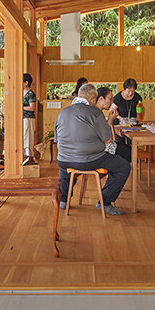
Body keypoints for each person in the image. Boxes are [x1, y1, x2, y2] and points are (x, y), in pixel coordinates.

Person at [54, 83, 131, 216]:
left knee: (65, 167)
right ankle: (105, 202)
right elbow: (107, 139)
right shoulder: (94, 112)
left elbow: (56, 139)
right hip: (90, 159)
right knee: (123, 166)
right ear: (93, 99)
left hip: (64, 159)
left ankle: (64, 200)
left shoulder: (63, 112)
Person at [110, 78, 142, 161]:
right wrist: (120, 118)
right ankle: (123, 162)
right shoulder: (118, 98)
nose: (131, 93)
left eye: (133, 91)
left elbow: (140, 109)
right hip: (120, 124)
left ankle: (133, 162)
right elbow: (112, 110)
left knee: (133, 142)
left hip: (132, 124)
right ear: (124, 89)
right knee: (121, 144)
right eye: (128, 91)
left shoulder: (137, 97)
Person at [22, 73, 36, 163]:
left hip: (28, 118)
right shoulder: (21, 93)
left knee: (28, 136)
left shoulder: (30, 94)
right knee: (24, 136)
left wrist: (21, 107)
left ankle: (28, 156)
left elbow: (32, 107)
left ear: (26, 83)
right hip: (22, 118)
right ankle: (24, 155)